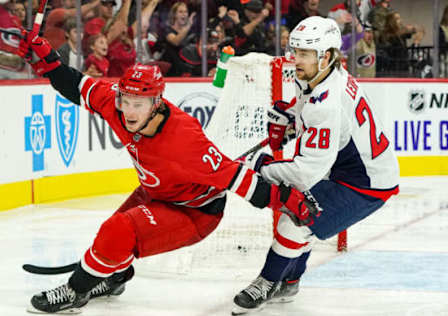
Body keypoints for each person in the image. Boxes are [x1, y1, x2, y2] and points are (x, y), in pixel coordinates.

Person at [16, 29, 321, 314]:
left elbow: (239, 180)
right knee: (112, 233)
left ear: (157, 102)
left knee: (117, 231)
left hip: (194, 213)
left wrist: (288, 201)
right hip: (157, 193)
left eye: (140, 104)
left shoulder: (184, 139)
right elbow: (76, 86)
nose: (130, 111)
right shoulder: (117, 104)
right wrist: (48, 59)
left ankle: (75, 292)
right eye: (126, 101)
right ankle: (114, 277)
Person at [231, 16, 400, 315]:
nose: (296, 59)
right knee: (301, 213)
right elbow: (309, 108)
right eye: (295, 50)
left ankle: (269, 282)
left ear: (327, 56)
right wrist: (291, 116)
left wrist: (260, 167)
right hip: (355, 171)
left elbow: (305, 172)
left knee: (296, 219)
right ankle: (290, 281)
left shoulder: (327, 103)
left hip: (367, 185)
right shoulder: (321, 75)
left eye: (305, 53)